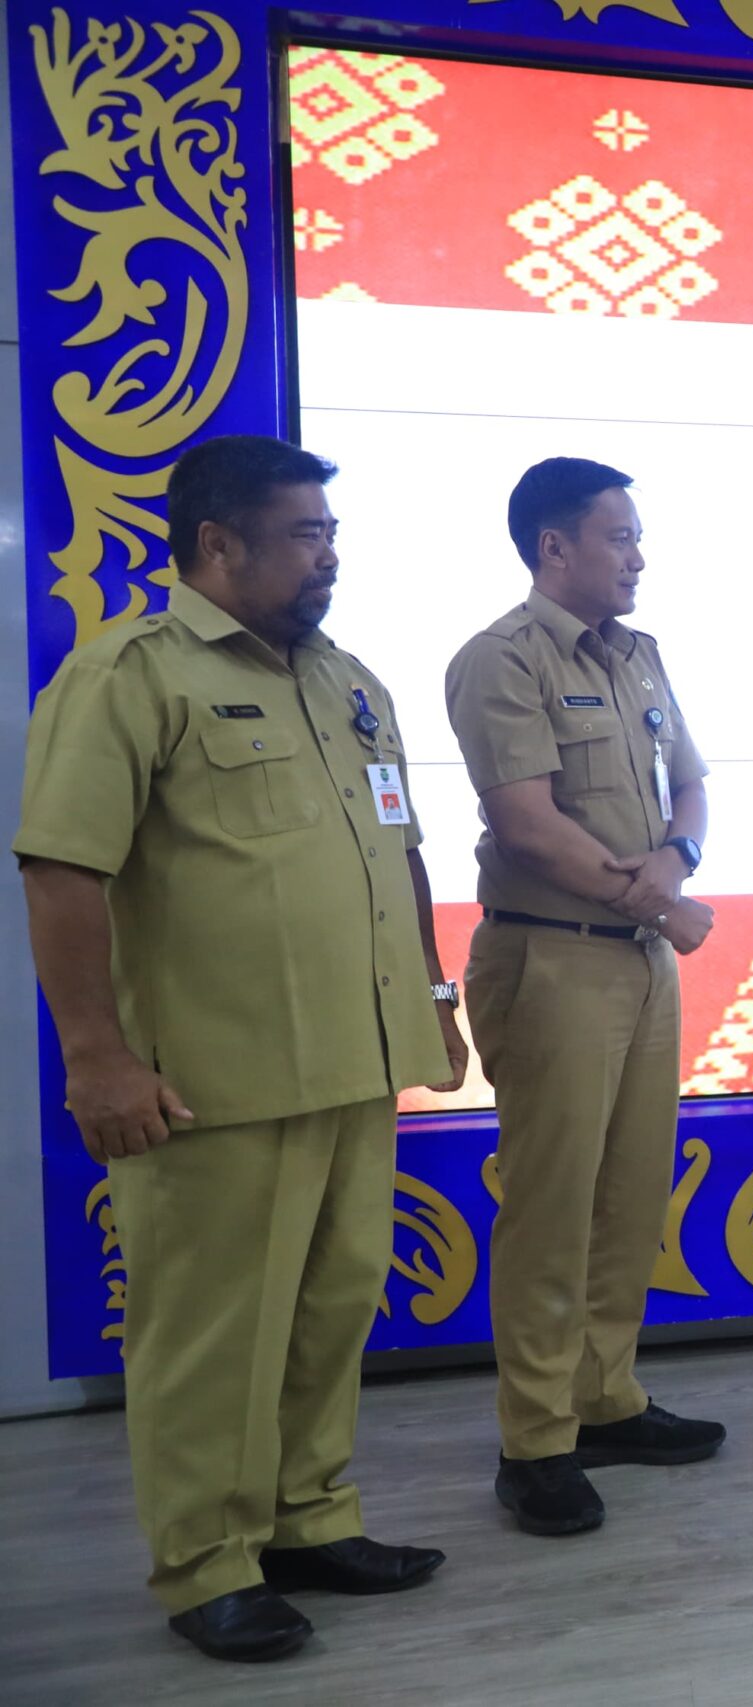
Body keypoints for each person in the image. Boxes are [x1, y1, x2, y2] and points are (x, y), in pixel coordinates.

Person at [15, 435, 467, 1662]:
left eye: (331, 533)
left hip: (354, 1062)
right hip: (212, 1085)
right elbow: (61, 873)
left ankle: (308, 1519)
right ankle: (207, 1564)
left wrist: (435, 995)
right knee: (212, 1335)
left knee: (334, 1305)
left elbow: (398, 848)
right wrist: (97, 1059)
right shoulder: (129, 677)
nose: (330, 556)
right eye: (307, 535)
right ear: (218, 543)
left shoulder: (348, 682)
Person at [445, 458, 722, 1534]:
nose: (638, 556)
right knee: (552, 1206)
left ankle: (606, 1398)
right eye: (619, 536)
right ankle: (536, 1442)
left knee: (630, 1193)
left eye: (637, 536)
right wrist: (660, 902)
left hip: (640, 962)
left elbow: (689, 783)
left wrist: (679, 856)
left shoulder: (639, 655)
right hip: (552, 959)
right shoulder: (501, 658)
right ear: (554, 546)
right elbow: (527, 823)